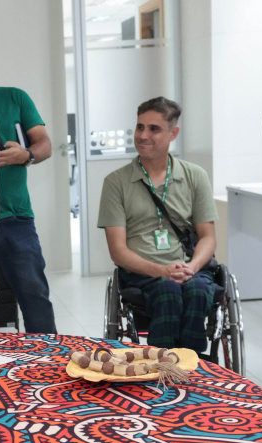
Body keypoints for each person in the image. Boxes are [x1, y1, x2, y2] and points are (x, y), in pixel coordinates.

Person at [98, 97, 218, 353]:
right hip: (141, 273)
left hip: (189, 267)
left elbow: (208, 236)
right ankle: (161, 366)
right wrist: (160, 270)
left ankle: (193, 364)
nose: (143, 135)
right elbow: (117, 250)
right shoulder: (116, 183)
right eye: (140, 127)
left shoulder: (195, 176)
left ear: (173, 133)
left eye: (154, 129)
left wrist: (192, 267)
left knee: (197, 290)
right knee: (168, 290)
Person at [0, 38, 57, 334]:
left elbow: (44, 144)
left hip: (17, 218)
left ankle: (49, 358)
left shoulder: (15, 97)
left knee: (34, 294)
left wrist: (25, 155)